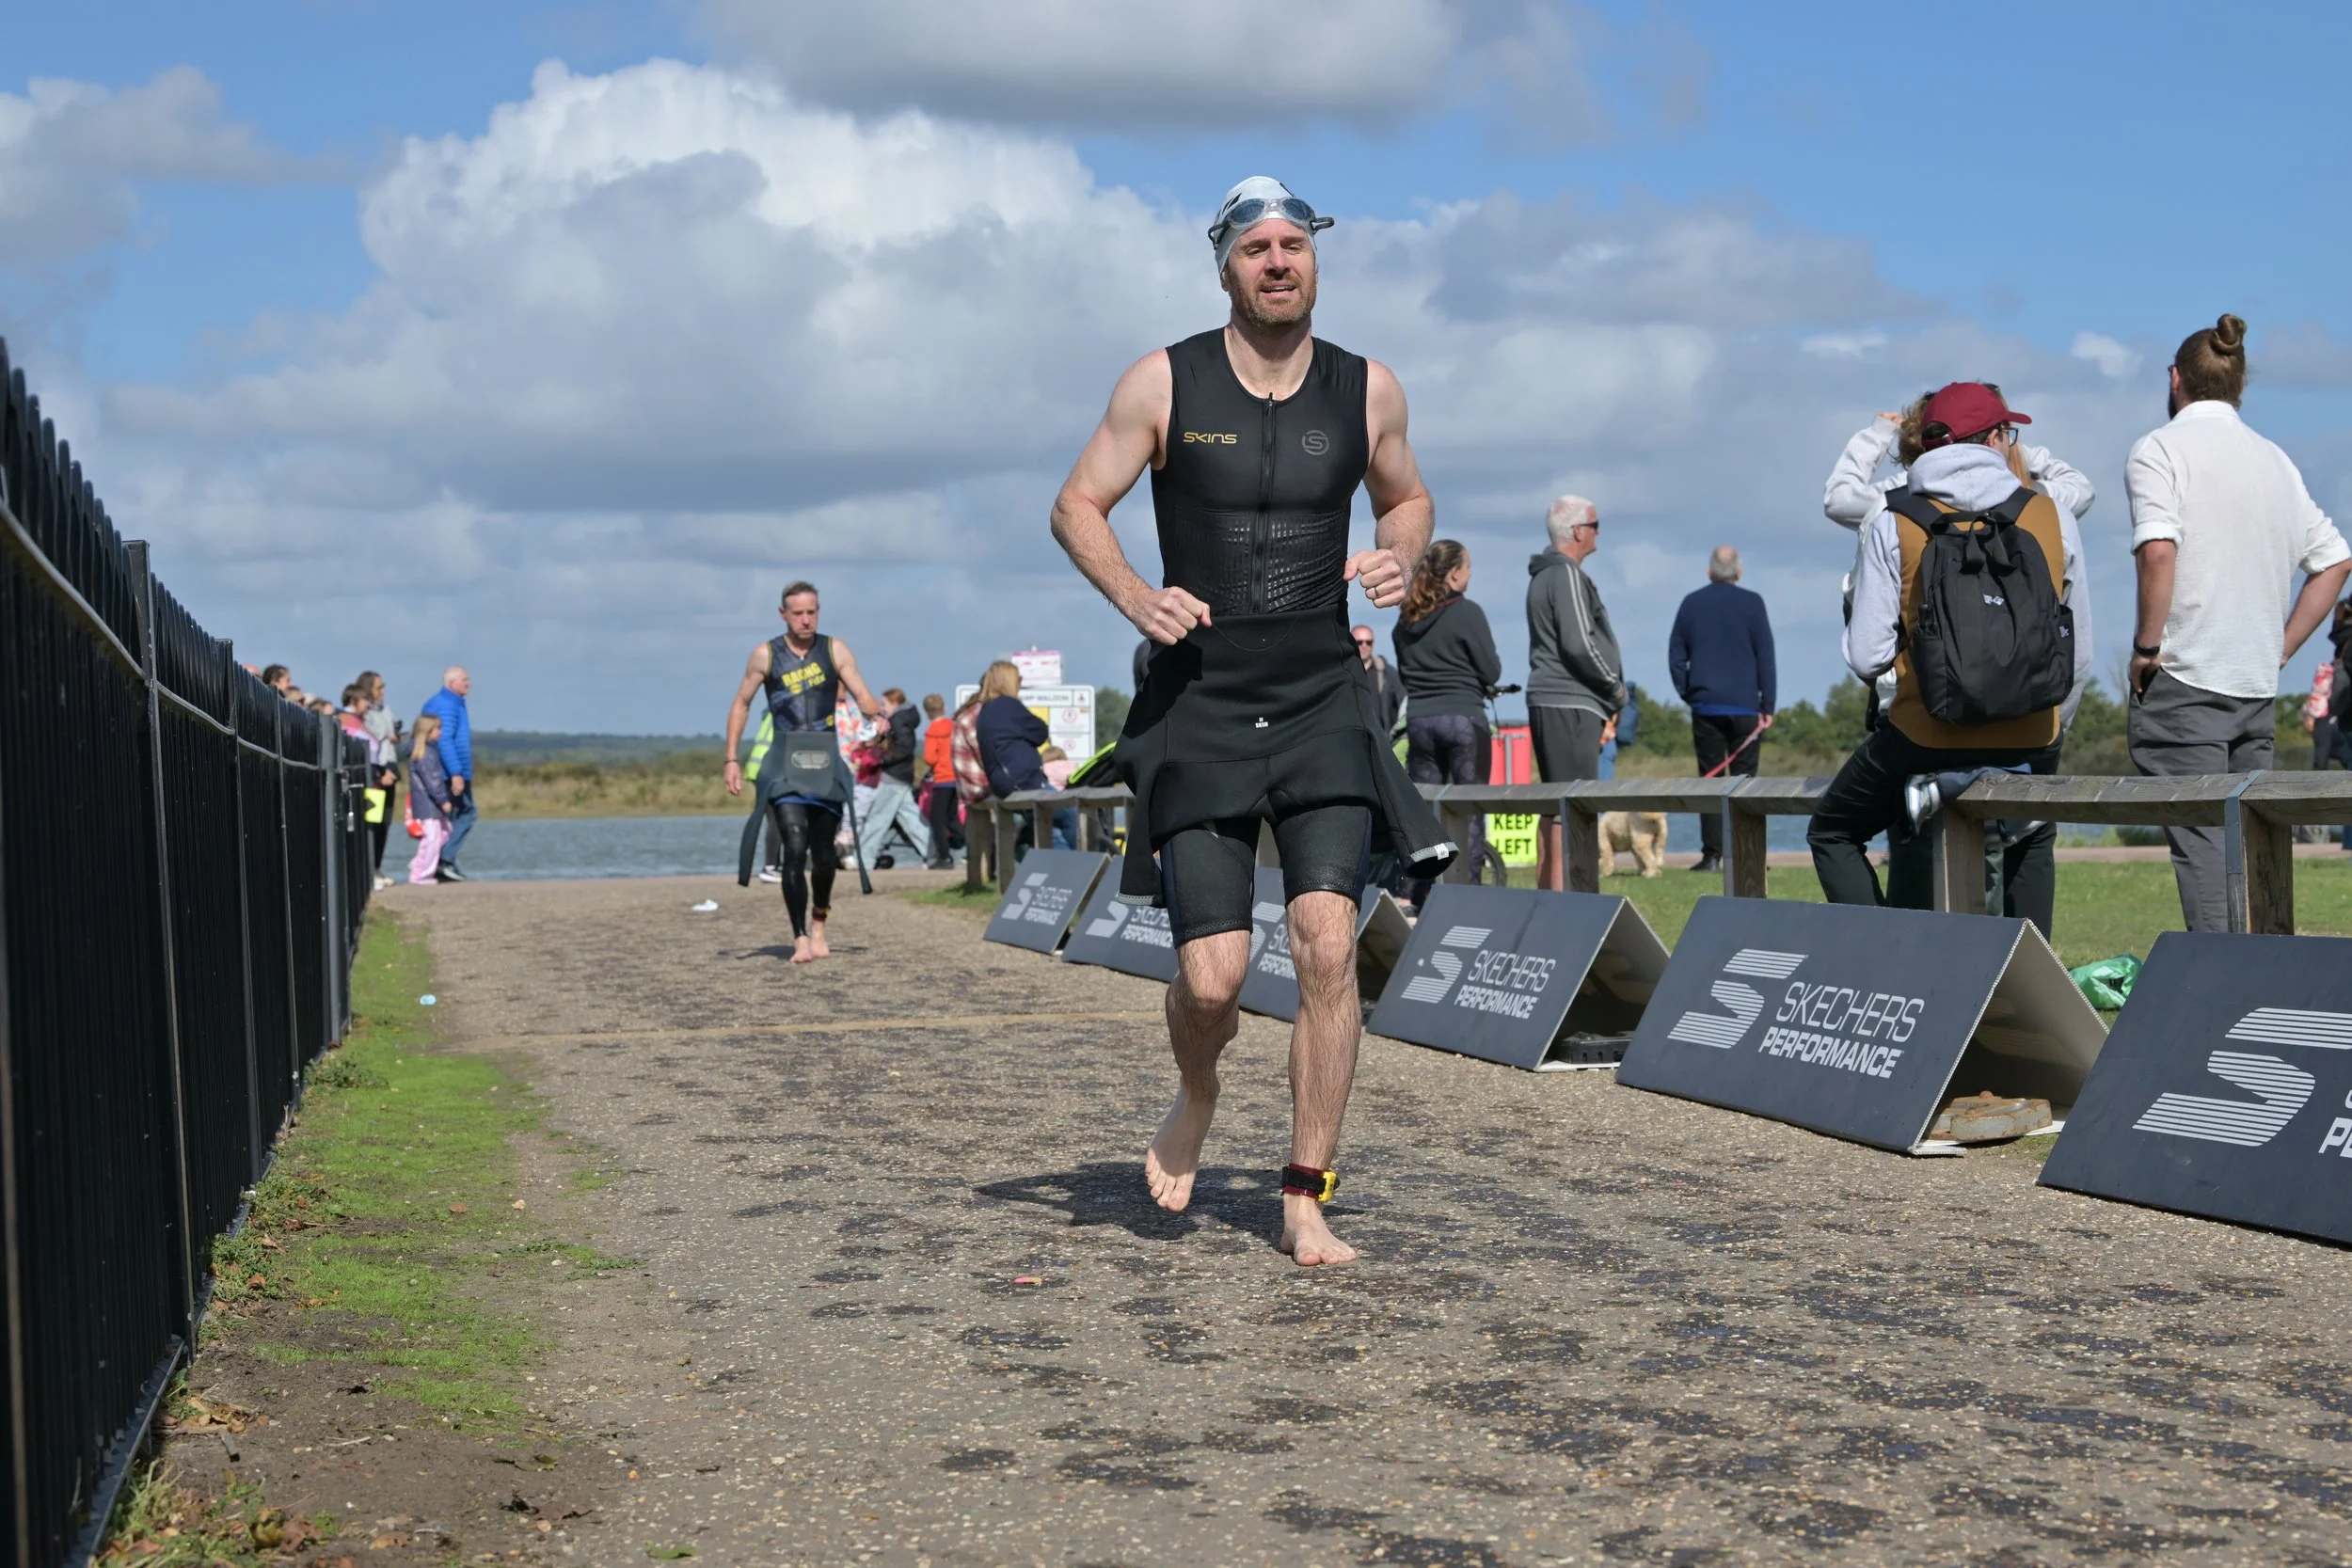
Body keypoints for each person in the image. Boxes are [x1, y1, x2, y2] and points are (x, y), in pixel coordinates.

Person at [1047, 175, 1446, 1268]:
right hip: (1204, 696)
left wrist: (1397, 554)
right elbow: (1076, 503)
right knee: (1214, 976)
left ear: (1314, 258)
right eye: (1256, 249)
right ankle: (1197, 1086)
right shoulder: (1163, 381)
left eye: (1293, 246)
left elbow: (1408, 496)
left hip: (1322, 693)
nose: (1278, 263)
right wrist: (1137, 596)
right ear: (1224, 267)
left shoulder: (1367, 389)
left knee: (1327, 941)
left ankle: (1304, 1193)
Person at [1807, 382, 2085, 927]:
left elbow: (1867, 657)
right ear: (1997, 438)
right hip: (2032, 732)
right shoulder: (2053, 516)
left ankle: (1892, 957)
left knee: (1833, 831)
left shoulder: (1891, 518)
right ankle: (2027, 976)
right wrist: (2050, 729)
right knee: (2033, 832)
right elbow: (2080, 653)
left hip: (1926, 734)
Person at [2127, 315, 2352, 929]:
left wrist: (2146, 647)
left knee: (2203, 851)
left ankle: (2219, 982)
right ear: (2239, 383)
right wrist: (2281, 645)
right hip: (2253, 683)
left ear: (2175, 379)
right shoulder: (2275, 459)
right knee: (2255, 853)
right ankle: (2265, 978)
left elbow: (2158, 552)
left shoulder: (2159, 449)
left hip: (2185, 678)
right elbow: (2335, 560)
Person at [722, 581, 885, 962]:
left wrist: (877, 717)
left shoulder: (834, 649)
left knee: (824, 855)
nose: (806, 620)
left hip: (824, 760)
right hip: (784, 760)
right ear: (783, 614)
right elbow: (741, 704)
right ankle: (799, 938)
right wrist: (731, 759)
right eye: (798, 613)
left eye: (812, 612)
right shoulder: (765, 655)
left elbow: (862, 695)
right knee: (794, 845)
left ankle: (819, 924)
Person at [1393, 540, 1501, 903]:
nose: (1470, 575)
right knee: (1469, 810)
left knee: (1424, 811)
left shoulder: (1407, 618)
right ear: (1454, 573)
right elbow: (1491, 670)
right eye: (1468, 568)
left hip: (1421, 721)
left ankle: (1411, 894)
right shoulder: (1467, 612)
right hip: (1463, 718)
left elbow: (1405, 674)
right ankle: (1464, 896)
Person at [1526, 495, 1624, 890]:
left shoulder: (1544, 574)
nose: (1599, 533)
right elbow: (1579, 643)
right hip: (1570, 701)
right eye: (1595, 525)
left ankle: (1553, 896)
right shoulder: (1565, 575)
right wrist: (1614, 687)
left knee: (1555, 806)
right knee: (1573, 806)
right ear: (1578, 531)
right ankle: (1571, 898)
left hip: (1555, 700)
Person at [1668, 546, 1777, 874]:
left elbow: (1676, 656)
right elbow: (1765, 655)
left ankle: (1713, 855)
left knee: (1710, 781)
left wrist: (1689, 693)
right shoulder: (1754, 603)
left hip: (1706, 706)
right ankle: (1748, 853)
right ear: (1739, 572)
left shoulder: (1691, 603)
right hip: (1746, 707)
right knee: (1745, 784)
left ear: (1709, 571)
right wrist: (1767, 705)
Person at [973, 660, 1077, 850]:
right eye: (1018, 679)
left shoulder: (985, 712)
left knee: (1052, 831)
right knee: (1071, 814)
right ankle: (1083, 858)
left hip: (1002, 785)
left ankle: (1061, 863)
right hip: (1025, 782)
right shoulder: (1009, 705)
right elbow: (1040, 731)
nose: (1020, 684)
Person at [858, 687, 934, 868]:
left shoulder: (898, 721)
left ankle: (863, 858)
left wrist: (881, 759)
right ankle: (934, 854)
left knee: (878, 818)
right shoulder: (904, 720)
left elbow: (904, 748)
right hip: (902, 775)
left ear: (895, 703)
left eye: (884, 704)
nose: (882, 708)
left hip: (893, 776)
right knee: (912, 819)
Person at [420, 667, 475, 880]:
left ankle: (439, 862)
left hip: (451, 770)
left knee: (451, 817)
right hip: (449, 772)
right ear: (452, 683)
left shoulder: (452, 703)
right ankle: (444, 859)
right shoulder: (447, 705)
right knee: (466, 813)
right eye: (464, 680)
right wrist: (456, 773)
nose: (468, 683)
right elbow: (444, 741)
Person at [358, 672, 401, 887]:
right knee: (373, 820)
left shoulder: (385, 709)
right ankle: (368, 868)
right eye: (379, 687)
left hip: (390, 765)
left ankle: (377, 867)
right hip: (376, 770)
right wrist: (380, 772)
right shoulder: (365, 713)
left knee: (385, 820)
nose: (382, 691)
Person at [405, 713, 454, 885]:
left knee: (445, 831)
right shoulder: (425, 754)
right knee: (432, 838)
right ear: (427, 731)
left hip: (430, 803)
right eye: (437, 729)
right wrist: (443, 800)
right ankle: (421, 874)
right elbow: (432, 781)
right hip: (428, 803)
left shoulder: (428, 752)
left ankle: (419, 864)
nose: (440, 732)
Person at [919, 692, 959, 869]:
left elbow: (930, 758)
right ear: (945, 708)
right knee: (952, 817)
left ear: (926, 713)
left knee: (937, 820)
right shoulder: (954, 727)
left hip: (942, 779)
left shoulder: (932, 732)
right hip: (956, 777)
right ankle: (967, 840)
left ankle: (944, 857)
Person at [1353, 622, 1404, 735]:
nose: (1364, 646)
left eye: (1369, 642)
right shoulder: (1342, 673)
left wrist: (1397, 732)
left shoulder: (1387, 673)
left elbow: (1402, 704)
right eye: (1359, 642)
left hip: (1381, 737)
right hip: (1352, 737)